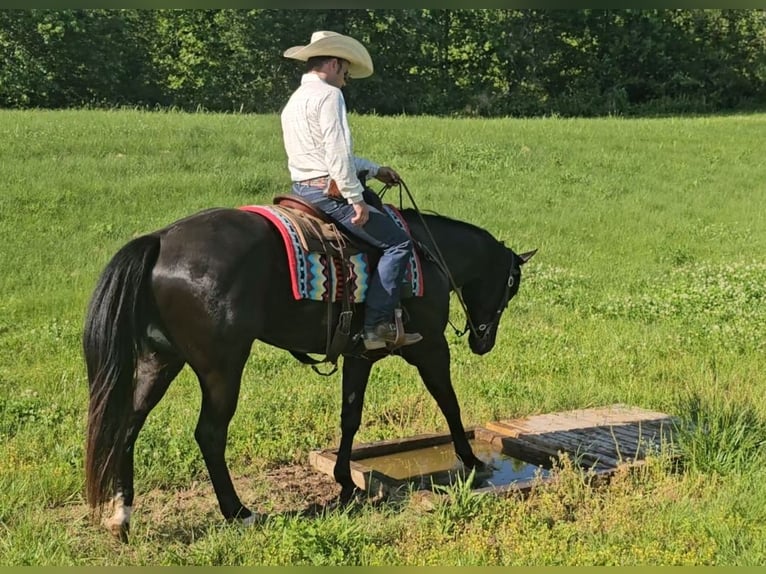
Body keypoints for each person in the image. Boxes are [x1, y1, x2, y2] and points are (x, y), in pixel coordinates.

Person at [280, 30, 422, 351]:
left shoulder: (295, 100)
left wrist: (374, 169)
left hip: (301, 188)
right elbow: (337, 155)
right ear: (332, 64)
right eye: (345, 70)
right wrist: (355, 199)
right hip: (327, 193)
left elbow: (324, 153)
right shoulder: (330, 96)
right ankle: (376, 327)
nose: (347, 78)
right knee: (398, 243)